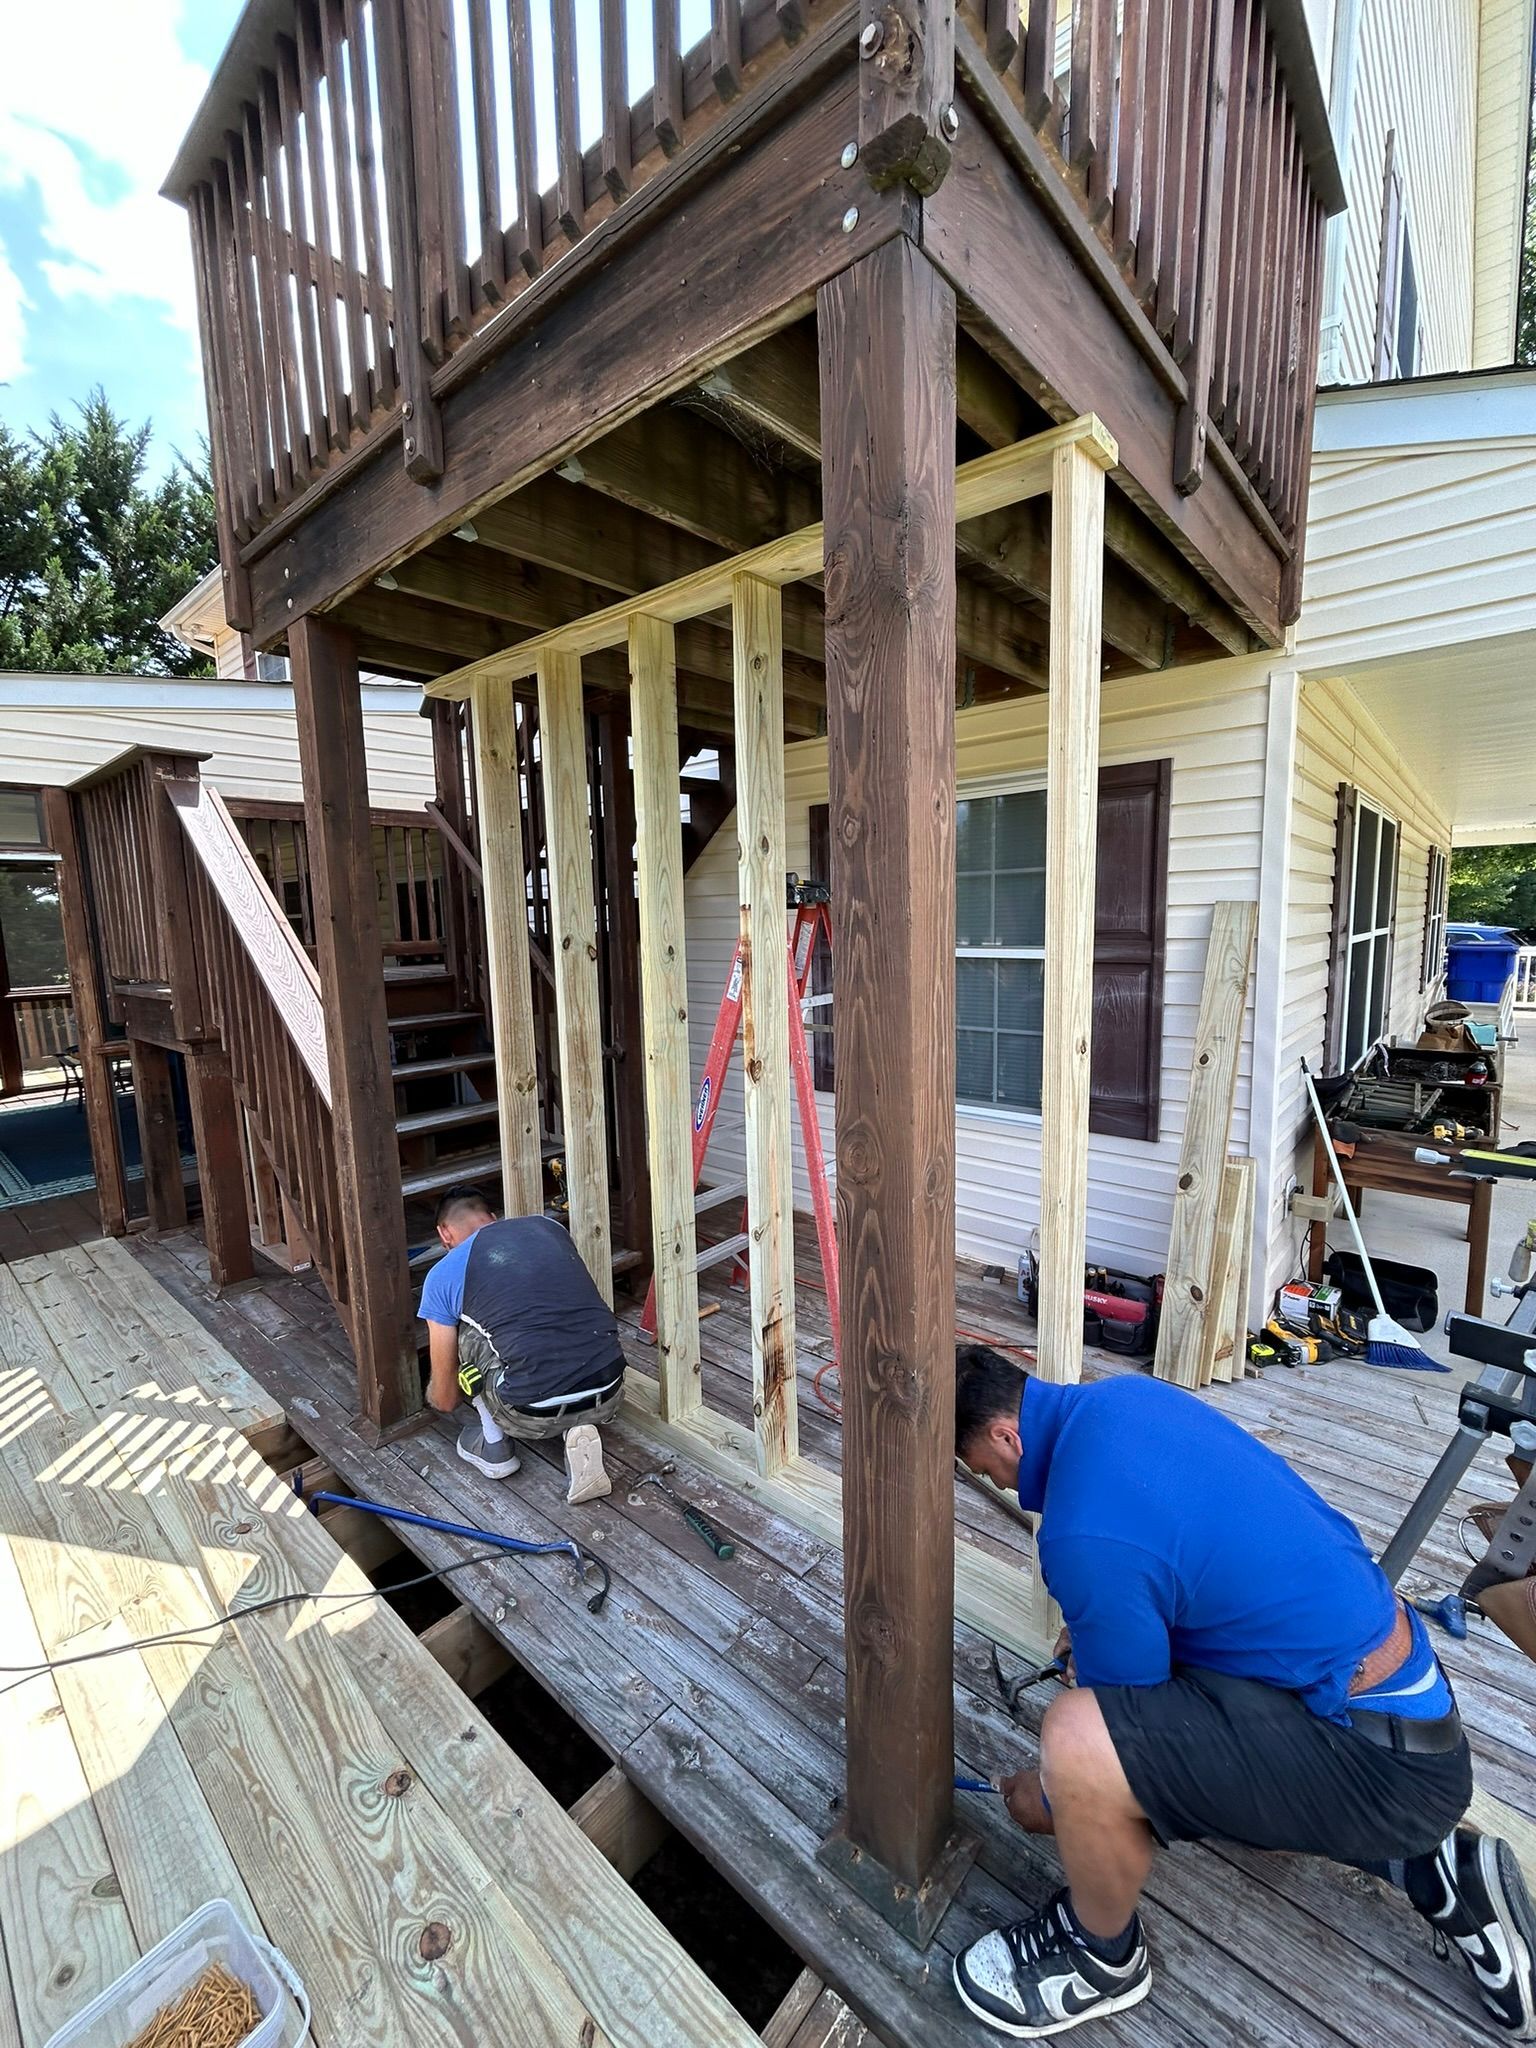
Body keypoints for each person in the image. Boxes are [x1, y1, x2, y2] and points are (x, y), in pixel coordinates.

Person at [950, 1342, 1536, 2041]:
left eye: (985, 1469)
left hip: (1386, 1769)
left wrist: (1044, 1798)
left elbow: (1121, 1737)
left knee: (1077, 1739)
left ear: (1004, 1434)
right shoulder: (1126, 1400)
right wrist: (1106, 1626)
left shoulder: (1080, 1533)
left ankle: (1099, 1956)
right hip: (1411, 1712)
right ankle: (1433, 1869)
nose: (1002, 1486)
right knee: (1131, 1711)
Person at [419, 1186, 625, 1506]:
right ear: (492, 1218)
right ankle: (578, 1427)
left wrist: (433, 1394)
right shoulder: (550, 1228)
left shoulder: (442, 1274)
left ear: (444, 1233)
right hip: (611, 1389)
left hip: (530, 1414)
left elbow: (446, 1400)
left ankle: (495, 1449)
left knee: (468, 1331)